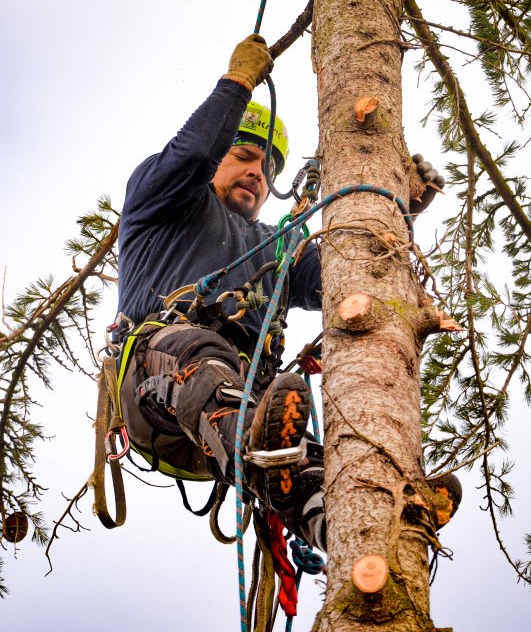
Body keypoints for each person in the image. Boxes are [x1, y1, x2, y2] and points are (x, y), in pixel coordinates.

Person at [116, 34, 457, 552]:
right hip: (159, 377)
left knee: (311, 464)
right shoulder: (163, 198)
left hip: (241, 409)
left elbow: (350, 275)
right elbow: (190, 155)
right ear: (219, 160)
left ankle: (376, 527)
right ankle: (261, 449)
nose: (258, 172)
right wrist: (236, 85)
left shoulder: (274, 248)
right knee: (202, 358)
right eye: (245, 156)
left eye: (268, 168)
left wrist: (401, 209)